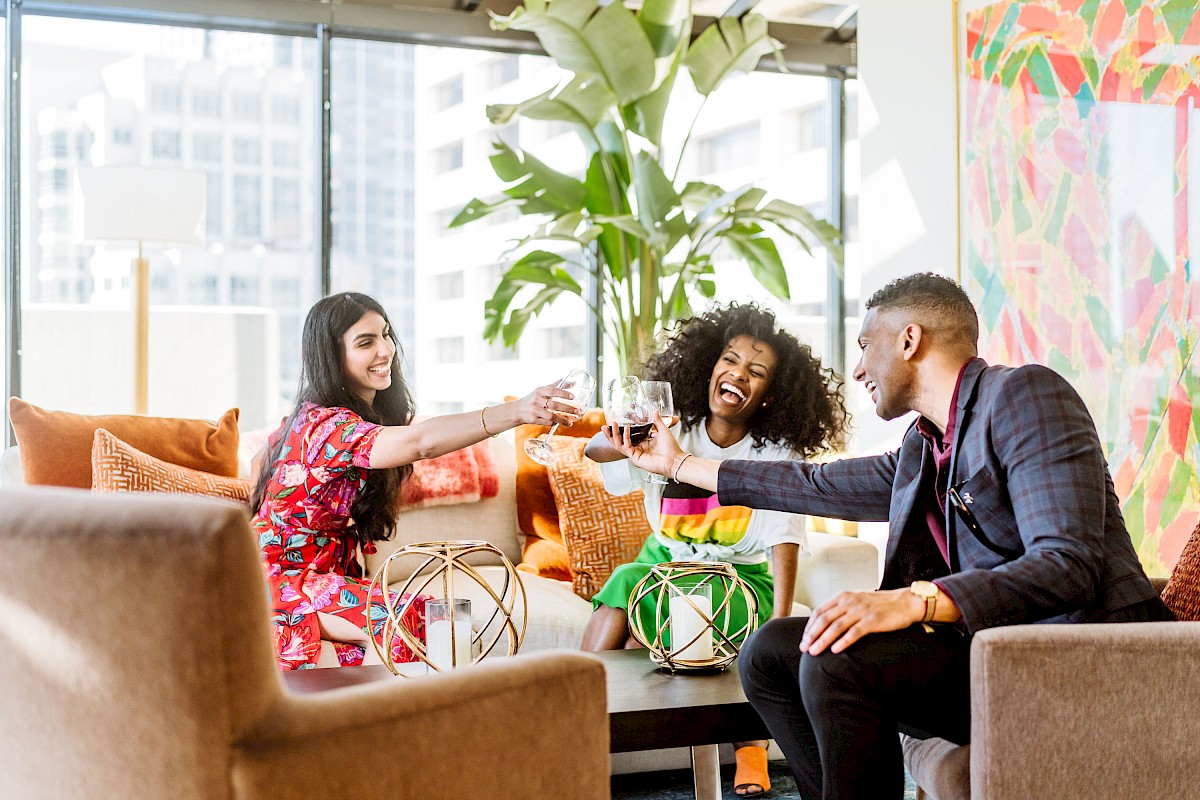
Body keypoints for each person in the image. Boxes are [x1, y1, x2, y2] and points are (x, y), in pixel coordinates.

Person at [603, 273, 1173, 800]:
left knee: (838, 658)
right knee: (771, 651)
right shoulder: (923, 446)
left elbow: (1067, 563)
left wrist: (913, 600)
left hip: (1086, 660)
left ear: (908, 340)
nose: (856, 370)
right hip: (997, 655)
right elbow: (815, 485)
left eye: (863, 345)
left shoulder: (1024, 396)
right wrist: (676, 463)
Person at [583, 303, 848, 798]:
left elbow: (783, 539)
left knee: (757, 621)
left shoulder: (775, 453)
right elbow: (595, 451)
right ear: (709, 367)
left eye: (757, 371)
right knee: (622, 582)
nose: (738, 374)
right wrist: (624, 435)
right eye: (730, 360)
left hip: (741, 573)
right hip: (665, 563)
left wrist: (780, 626)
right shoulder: (671, 429)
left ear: (770, 394)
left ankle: (750, 748)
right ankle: (573, 720)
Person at [249, 292, 576, 671]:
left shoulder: (311, 415)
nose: (385, 349)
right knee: (411, 620)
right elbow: (421, 443)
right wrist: (518, 410)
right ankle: (390, 721)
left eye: (385, 334)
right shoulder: (327, 425)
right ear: (332, 356)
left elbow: (260, 463)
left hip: (311, 580)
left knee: (411, 634)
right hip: (282, 584)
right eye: (365, 342)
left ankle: (378, 717)